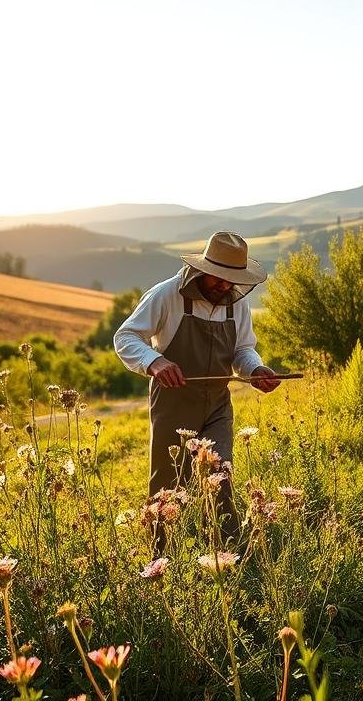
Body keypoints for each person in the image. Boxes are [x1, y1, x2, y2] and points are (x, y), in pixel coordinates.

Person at [113, 231, 281, 540]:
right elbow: (125, 337)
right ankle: (159, 556)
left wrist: (255, 369)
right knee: (167, 485)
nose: (225, 285)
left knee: (221, 477)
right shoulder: (165, 295)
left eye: (232, 279)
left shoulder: (236, 305)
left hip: (218, 404)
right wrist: (154, 361)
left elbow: (243, 349)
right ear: (203, 269)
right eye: (219, 277)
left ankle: (227, 553)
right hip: (173, 404)